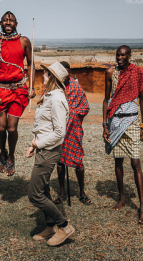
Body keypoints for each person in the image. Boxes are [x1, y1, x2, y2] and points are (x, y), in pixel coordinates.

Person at [26, 62, 75, 247]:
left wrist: (39, 143)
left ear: (53, 77)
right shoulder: (49, 96)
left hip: (50, 151)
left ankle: (64, 226)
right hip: (43, 149)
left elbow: (59, 132)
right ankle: (50, 226)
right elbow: (45, 126)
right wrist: (35, 145)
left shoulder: (56, 99)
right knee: (44, 190)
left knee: (34, 194)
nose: (43, 74)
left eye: (46, 73)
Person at [103, 45, 143, 224]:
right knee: (118, 161)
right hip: (115, 121)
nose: (119, 58)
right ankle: (121, 198)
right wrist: (105, 124)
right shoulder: (110, 73)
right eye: (117, 55)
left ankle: (142, 206)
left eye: (123, 55)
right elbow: (106, 100)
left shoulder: (138, 73)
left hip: (133, 121)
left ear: (130, 56)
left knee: (135, 163)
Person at [0, 11, 36, 176]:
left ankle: (12, 155)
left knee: (12, 128)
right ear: (0, 23)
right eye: (5, 20)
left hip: (18, 90)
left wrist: (31, 87)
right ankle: (2, 152)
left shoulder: (24, 41)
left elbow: (31, 64)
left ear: (16, 24)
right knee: (1, 127)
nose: (8, 22)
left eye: (11, 20)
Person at [54, 61, 91, 205]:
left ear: (68, 72)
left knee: (78, 161)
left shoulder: (77, 88)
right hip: (58, 130)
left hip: (74, 130)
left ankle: (82, 192)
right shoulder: (55, 87)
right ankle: (62, 193)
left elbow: (85, 108)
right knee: (60, 161)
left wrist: (71, 114)